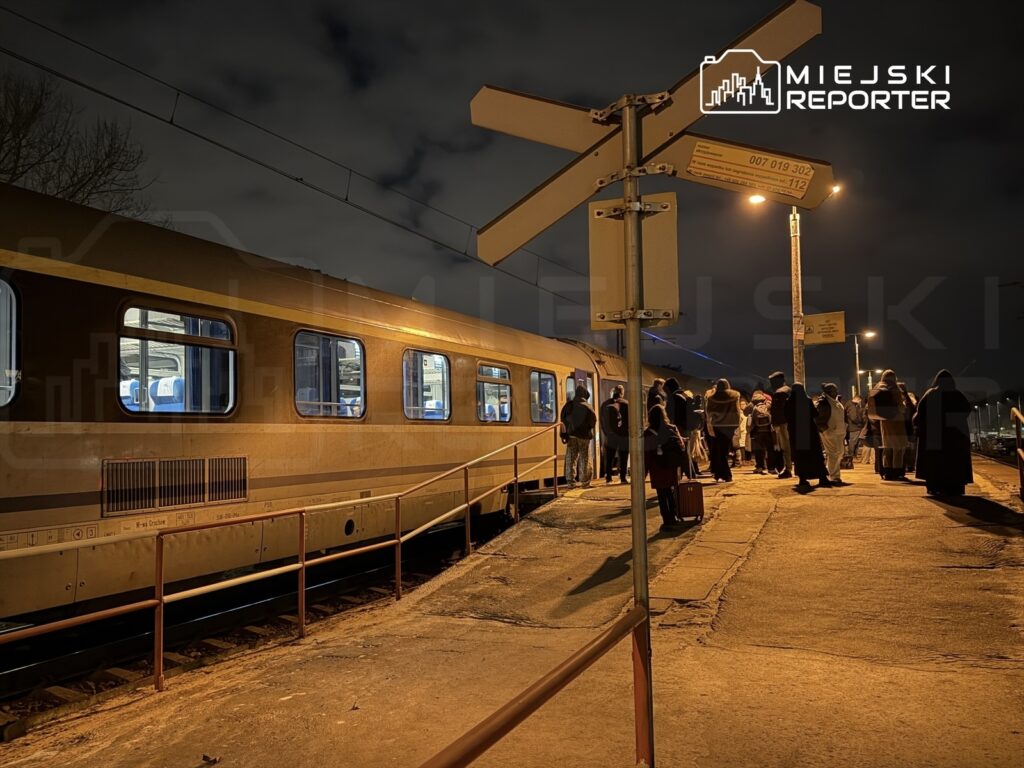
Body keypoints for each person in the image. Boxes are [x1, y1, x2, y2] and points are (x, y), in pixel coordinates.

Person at [913, 369, 973, 495]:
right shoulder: (957, 394)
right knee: (954, 461)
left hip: (934, 436)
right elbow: (966, 410)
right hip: (956, 436)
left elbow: (920, 414)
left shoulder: (930, 394)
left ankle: (935, 487)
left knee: (934, 462)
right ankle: (955, 487)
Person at [644, 403, 686, 530]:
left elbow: (646, 455)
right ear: (664, 415)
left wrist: (644, 472)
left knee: (662, 494)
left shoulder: (648, 433)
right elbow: (682, 446)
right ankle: (674, 517)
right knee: (671, 491)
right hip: (671, 466)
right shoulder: (672, 428)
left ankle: (666, 520)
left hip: (657, 467)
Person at [785, 382, 831, 490]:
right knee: (815, 455)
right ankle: (822, 478)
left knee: (800, 457)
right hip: (809, 432)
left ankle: (802, 479)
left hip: (797, 433)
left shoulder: (789, 402)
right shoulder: (807, 400)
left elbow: (786, 416)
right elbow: (815, 414)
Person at [867, 369, 909, 480]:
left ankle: (887, 472)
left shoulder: (878, 387)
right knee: (898, 448)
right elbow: (901, 408)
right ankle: (897, 472)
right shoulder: (895, 388)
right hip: (896, 421)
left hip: (884, 421)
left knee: (887, 447)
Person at [704, 378, 742, 482]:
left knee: (720, 450)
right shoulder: (735, 395)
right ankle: (723, 474)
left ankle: (722, 474)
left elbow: (709, 412)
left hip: (718, 426)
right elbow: (737, 411)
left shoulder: (711, 398)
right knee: (723, 450)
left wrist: (710, 425)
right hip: (730, 425)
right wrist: (737, 424)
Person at [560, 385, 597, 489]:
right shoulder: (588, 406)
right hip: (584, 437)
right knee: (585, 458)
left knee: (571, 458)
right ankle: (585, 482)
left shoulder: (568, 405)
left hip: (571, 436)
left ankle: (570, 482)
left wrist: (563, 434)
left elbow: (563, 421)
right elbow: (593, 423)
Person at [816, 383, 847, 485]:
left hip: (839, 432)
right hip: (829, 432)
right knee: (833, 454)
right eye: (834, 390)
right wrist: (826, 430)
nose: (837, 392)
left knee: (840, 453)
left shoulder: (836, 401)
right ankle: (835, 477)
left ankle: (828, 472)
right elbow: (819, 419)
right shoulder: (824, 403)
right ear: (828, 392)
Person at [664, 377, 694, 478]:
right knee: (684, 453)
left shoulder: (675, 398)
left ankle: (689, 477)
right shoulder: (681, 396)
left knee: (682, 454)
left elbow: (672, 415)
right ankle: (688, 476)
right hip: (684, 428)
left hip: (679, 429)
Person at [599, 385, 629, 483]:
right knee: (623, 456)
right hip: (624, 435)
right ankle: (623, 477)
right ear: (622, 393)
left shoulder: (605, 404)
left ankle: (608, 477)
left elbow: (602, 420)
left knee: (609, 456)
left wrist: (606, 433)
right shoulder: (626, 404)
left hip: (611, 435)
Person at [768, 371, 793, 479]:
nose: (771, 384)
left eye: (772, 382)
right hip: (789, 422)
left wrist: (774, 423)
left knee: (785, 447)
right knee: (790, 447)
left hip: (783, 423)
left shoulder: (780, 392)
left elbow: (777, 411)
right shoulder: (789, 390)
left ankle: (788, 469)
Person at [748, 391, 774, 474]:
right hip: (768, 431)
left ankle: (760, 467)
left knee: (759, 450)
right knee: (770, 450)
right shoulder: (768, 407)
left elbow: (752, 422)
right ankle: (771, 467)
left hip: (758, 432)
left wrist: (750, 431)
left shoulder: (755, 409)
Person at [898, 382, 918, 474]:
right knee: (909, 449)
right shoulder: (909, 403)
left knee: (909, 449)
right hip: (909, 428)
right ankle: (909, 465)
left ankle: (908, 465)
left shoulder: (907, 403)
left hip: (907, 428)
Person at [844, 394, 867, 459]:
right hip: (855, 427)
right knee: (853, 442)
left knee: (853, 442)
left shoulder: (849, 405)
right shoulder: (852, 407)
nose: (860, 402)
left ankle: (852, 455)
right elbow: (854, 417)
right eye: (860, 400)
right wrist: (860, 423)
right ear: (857, 399)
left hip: (852, 427)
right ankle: (851, 455)